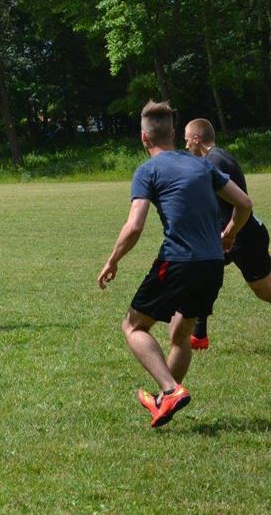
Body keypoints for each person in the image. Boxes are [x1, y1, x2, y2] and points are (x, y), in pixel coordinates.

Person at [97, 100, 253, 428]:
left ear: (144, 137)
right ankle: (163, 401)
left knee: (133, 326)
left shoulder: (148, 170)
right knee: (181, 335)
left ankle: (170, 390)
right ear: (172, 133)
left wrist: (113, 260)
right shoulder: (202, 165)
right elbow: (244, 203)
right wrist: (228, 235)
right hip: (213, 263)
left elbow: (134, 226)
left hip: (179, 260)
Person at [184, 118, 271, 350]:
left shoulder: (215, 162)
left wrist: (230, 235)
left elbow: (243, 204)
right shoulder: (215, 157)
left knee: (264, 290)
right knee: (198, 275)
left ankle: (198, 336)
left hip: (244, 237)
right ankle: (198, 337)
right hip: (228, 237)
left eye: (187, 140)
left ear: (196, 139)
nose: (186, 146)